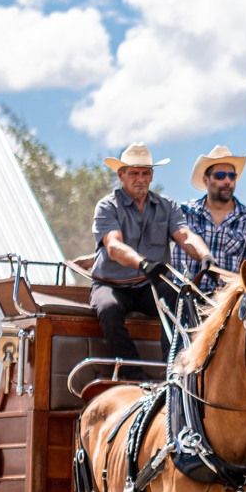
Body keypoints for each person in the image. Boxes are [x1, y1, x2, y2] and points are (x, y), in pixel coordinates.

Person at [90, 143, 211, 365]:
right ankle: (131, 373)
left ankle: (173, 369)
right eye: (134, 173)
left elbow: (185, 235)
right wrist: (143, 263)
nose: (140, 178)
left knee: (180, 298)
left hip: (149, 284)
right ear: (121, 175)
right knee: (108, 308)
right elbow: (114, 246)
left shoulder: (167, 206)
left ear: (152, 176)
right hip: (111, 284)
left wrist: (204, 256)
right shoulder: (107, 206)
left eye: (145, 173)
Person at [175, 144, 246, 296]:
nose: (227, 181)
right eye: (220, 176)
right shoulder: (183, 212)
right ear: (206, 180)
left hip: (226, 303)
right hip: (184, 299)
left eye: (232, 176)